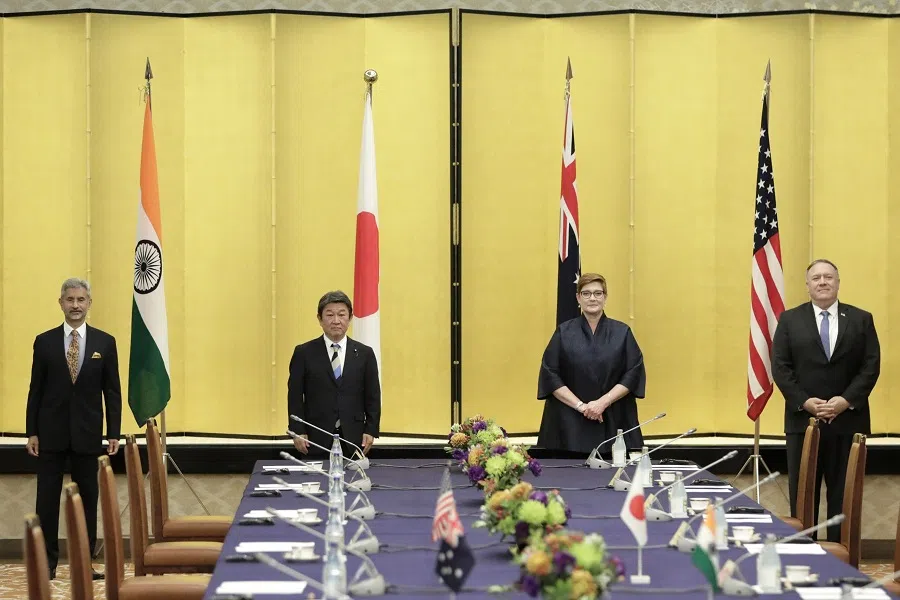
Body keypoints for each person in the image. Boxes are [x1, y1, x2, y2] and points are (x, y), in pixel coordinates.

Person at [772, 259, 880, 542]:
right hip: (803, 423)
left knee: (843, 497)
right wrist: (805, 402)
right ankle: (803, 553)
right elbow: (781, 368)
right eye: (816, 278)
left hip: (848, 422)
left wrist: (845, 400)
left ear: (838, 282)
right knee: (803, 496)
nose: (823, 282)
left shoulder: (861, 319)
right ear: (807, 285)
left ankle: (840, 558)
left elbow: (871, 366)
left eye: (828, 277)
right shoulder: (789, 320)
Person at [25, 278, 121, 580]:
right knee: (47, 504)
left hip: (88, 435)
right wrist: (32, 432)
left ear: (89, 303)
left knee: (87, 502)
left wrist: (114, 432)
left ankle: (84, 563)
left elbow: (112, 391)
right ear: (61, 303)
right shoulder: (44, 341)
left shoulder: (105, 342)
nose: (75, 305)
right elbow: (35, 391)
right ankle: (47, 564)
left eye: (81, 299)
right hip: (49, 435)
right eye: (70, 299)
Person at [537, 273, 647, 454]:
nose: (592, 298)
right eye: (586, 293)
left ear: (605, 297)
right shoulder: (564, 332)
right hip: (569, 419)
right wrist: (581, 406)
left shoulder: (622, 332)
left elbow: (633, 372)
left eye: (598, 293)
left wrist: (602, 403)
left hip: (612, 417)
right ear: (578, 298)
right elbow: (550, 374)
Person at [288, 290, 381, 459]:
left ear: (350, 318)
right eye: (330, 315)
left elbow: (373, 395)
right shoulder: (304, 352)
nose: (336, 321)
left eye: (341, 314)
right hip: (315, 436)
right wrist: (297, 431)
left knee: (354, 482)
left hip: (354, 437)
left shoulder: (365, 353)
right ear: (320, 319)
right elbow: (294, 396)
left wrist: (371, 429)